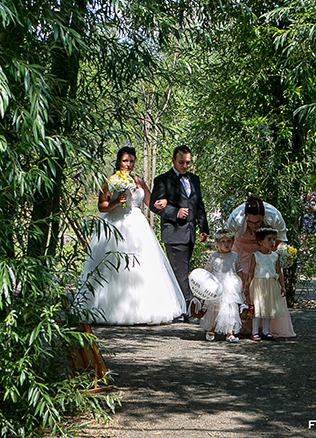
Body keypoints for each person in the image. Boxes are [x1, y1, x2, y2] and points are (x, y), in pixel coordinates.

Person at [78, 147, 185, 325]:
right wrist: (115, 201)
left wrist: (164, 201)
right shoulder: (109, 181)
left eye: (132, 161)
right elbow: (102, 207)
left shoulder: (138, 181)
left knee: (142, 265)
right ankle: (110, 309)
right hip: (115, 225)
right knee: (114, 267)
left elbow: (151, 203)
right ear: (118, 161)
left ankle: (143, 308)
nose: (129, 164)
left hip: (137, 224)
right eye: (126, 161)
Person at [150, 145, 209, 319]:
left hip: (190, 233)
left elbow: (199, 204)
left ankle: (178, 306)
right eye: (181, 162)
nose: (185, 166)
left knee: (181, 271)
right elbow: (155, 205)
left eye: (187, 163)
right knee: (181, 272)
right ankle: (188, 308)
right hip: (174, 232)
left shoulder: (194, 179)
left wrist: (203, 227)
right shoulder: (163, 180)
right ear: (173, 160)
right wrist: (175, 212)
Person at [225, 195, 295, 337]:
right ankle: (242, 323)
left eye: (258, 223)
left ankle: (266, 327)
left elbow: (281, 237)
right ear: (245, 216)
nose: (254, 226)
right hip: (242, 247)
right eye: (251, 222)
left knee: (266, 284)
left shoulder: (274, 216)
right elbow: (227, 238)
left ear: (263, 216)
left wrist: (278, 254)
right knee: (244, 280)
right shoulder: (236, 218)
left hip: (265, 249)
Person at [200, 229, 244, 343]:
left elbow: (239, 270)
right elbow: (208, 272)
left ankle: (230, 332)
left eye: (228, 241)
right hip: (217, 284)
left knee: (230, 308)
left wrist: (242, 283)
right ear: (218, 243)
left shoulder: (234, 256)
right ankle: (211, 329)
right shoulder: (214, 256)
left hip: (231, 284)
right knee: (215, 307)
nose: (226, 244)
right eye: (223, 241)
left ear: (233, 242)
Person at [246, 227, 286, 341]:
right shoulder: (256, 255)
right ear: (260, 241)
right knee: (258, 309)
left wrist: (282, 286)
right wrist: (247, 286)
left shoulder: (275, 256)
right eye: (269, 239)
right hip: (259, 284)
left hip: (271, 284)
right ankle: (254, 332)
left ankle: (265, 331)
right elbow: (251, 271)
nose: (272, 242)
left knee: (269, 309)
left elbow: (278, 271)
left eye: (274, 239)